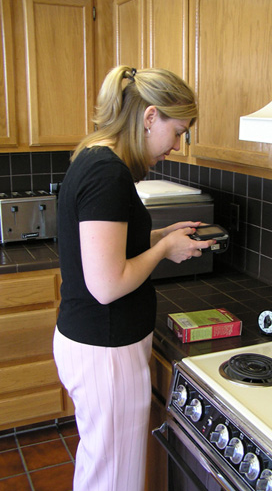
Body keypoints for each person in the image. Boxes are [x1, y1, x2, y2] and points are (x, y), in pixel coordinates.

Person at [53, 65, 215, 491]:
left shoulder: (96, 159)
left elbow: (113, 244)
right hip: (105, 349)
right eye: (177, 131)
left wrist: (160, 235)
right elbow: (107, 285)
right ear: (149, 117)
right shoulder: (107, 173)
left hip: (96, 344)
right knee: (114, 479)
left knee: (103, 468)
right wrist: (163, 250)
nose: (176, 146)